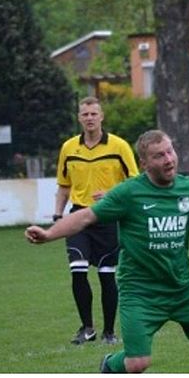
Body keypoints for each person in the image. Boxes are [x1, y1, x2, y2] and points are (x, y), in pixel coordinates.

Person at [27, 129, 189, 373]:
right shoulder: (129, 193)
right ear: (144, 163)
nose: (168, 159)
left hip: (181, 287)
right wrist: (49, 234)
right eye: (159, 156)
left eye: (170, 151)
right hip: (140, 292)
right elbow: (85, 216)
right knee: (137, 363)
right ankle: (109, 365)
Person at [52, 96, 138, 345]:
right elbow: (63, 186)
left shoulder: (119, 146)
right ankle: (87, 328)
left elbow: (135, 182)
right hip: (78, 216)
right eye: (85, 114)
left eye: (93, 114)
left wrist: (111, 195)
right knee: (77, 271)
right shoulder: (68, 148)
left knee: (106, 274)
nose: (89, 118)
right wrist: (58, 216)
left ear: (102, 117)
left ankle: (109, 332)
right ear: (79, 118)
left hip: (109, 217)